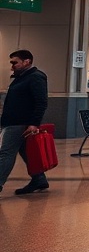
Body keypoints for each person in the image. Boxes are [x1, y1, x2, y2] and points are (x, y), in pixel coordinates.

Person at [0, 50, 50, 195]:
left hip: (20, 123)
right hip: (15, 122)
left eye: (15, 62)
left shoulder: (36, 77)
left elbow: (41, 102)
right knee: (26, 152)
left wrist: (34, 123)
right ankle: (39, 178)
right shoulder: (22, 77)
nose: (12, 66)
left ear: (26, 61)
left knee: (6, 153)